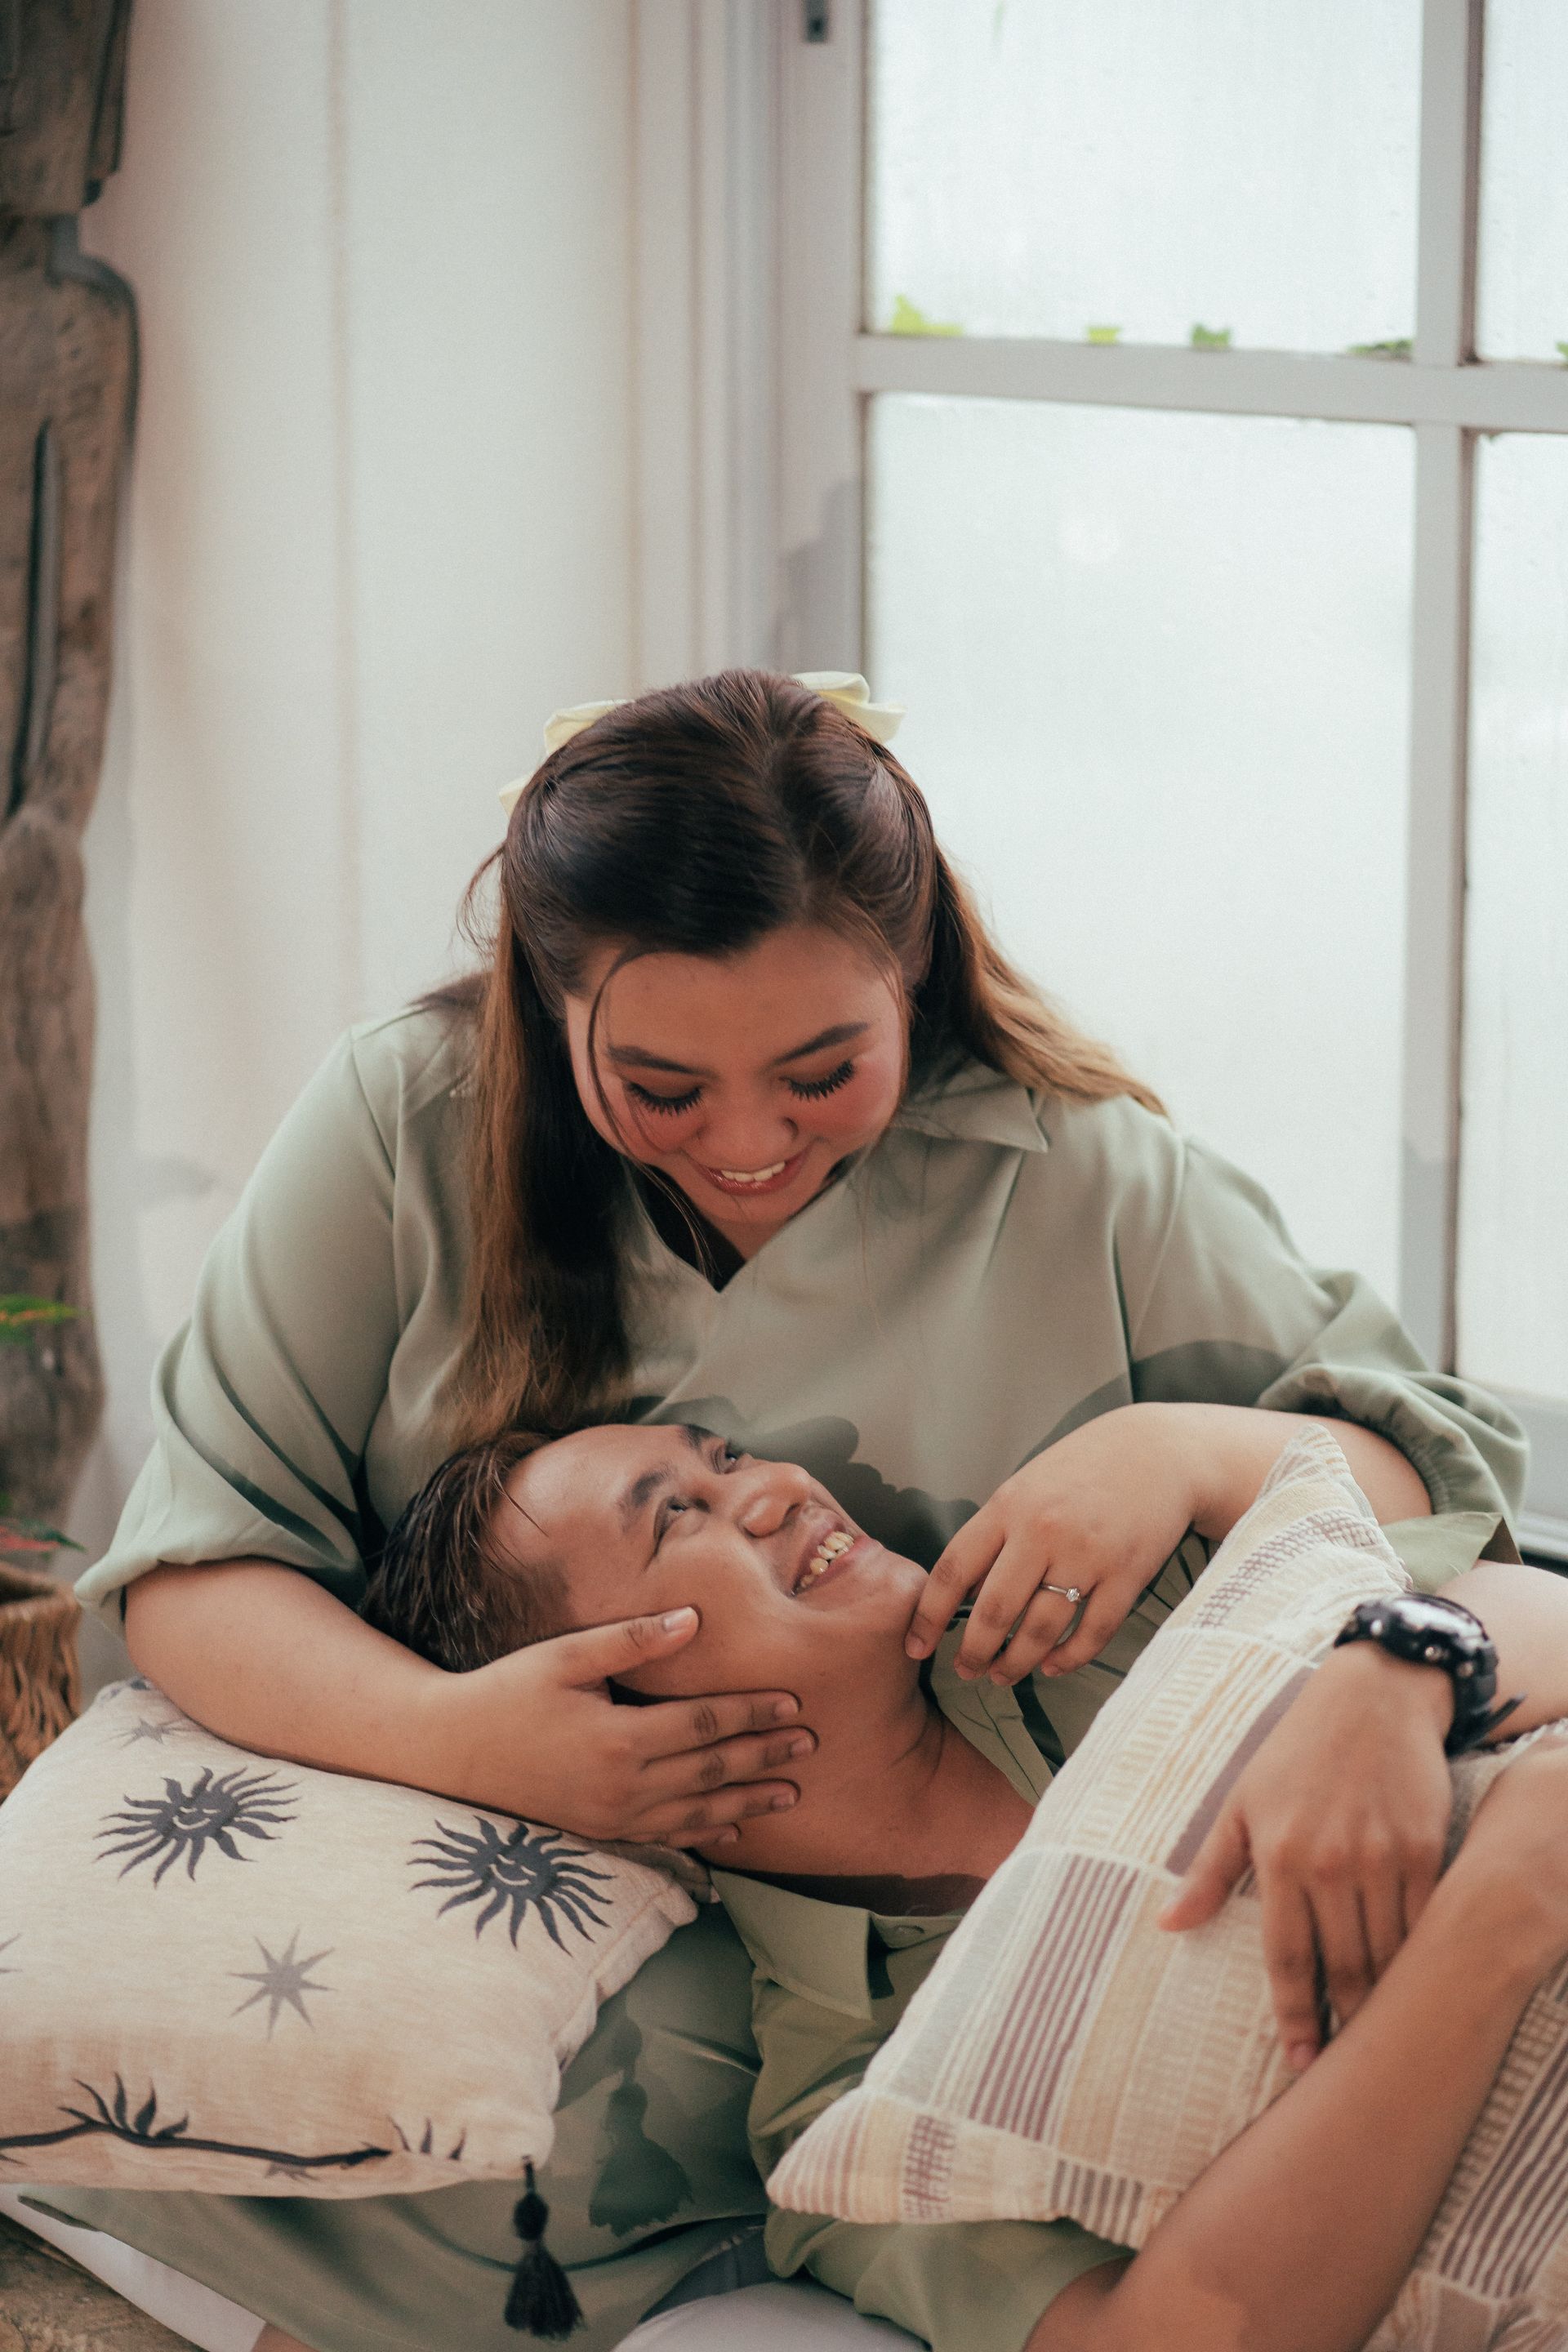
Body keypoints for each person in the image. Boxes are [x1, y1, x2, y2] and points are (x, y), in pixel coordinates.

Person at [47, 670, 1526, 2350]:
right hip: (680, 2087)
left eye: (825, 1070)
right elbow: (202, 1562)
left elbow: (1440, 1498)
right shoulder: (409, 1125)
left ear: (914, 972)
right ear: (547, 994)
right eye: (663, 1089)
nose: (746, 1143)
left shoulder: (1089, 1192)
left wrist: (1179, 1454)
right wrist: (469, 1740)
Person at [355, 1416, 1568, 2352]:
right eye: (676, 1518)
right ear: (591, 1714)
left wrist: (1404, 1669)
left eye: (723, 1458)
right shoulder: (849, 2118)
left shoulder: (1095, 1611)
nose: (777, 1487)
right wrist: (1497, 1921)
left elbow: (1513, 1588)